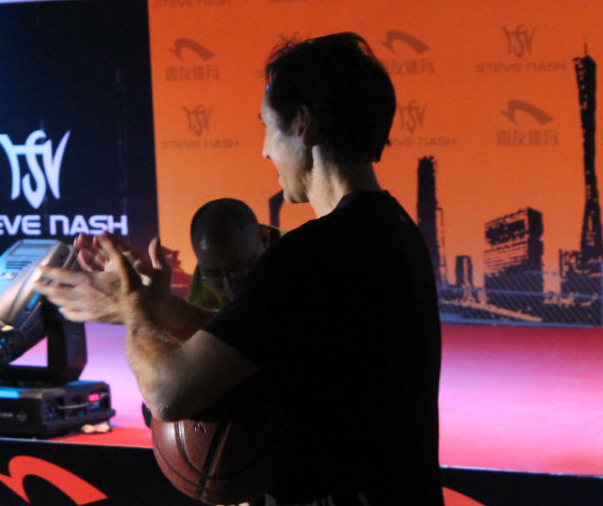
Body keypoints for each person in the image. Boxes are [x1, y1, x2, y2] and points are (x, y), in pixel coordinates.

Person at [38, 32, 444, 505]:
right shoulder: (392, 231)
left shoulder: (310, 253)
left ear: (304, 126)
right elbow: (255, 338)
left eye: (267, 128)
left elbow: (169, 391)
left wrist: (135, 311)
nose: (265, 151)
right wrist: (155, 306)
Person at [185, 197, 275, 310]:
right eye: (215, 274)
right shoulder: (202, 290)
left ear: (265, 240)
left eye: (239, 268)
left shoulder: (295, 257)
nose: (229, 287)